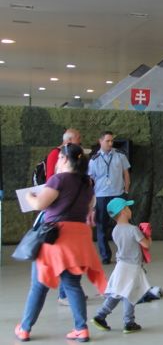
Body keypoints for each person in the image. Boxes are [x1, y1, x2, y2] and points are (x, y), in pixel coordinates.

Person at [15, 143, 107, 343]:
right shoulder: (86, 183)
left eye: (58, 158)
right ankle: (81, 329)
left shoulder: (58, 179)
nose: (57, 161)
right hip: (77, 239)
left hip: (55, 239)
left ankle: (24, 328)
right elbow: (88, 207)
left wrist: (30, 196)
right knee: (73, 284)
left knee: (39, 285)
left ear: (64, 159)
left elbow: (39, 204)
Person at [91, 197, 150, 334]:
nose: (130, 210)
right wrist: (148, 235)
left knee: (117, 292)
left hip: (121, 266)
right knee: (130, 294)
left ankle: (100, 315)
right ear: (123, 211)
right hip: (132, 267)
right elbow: (146, 244)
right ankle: (129, 322)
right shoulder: (133, 229)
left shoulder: (115, 230)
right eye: (127, 208)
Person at [44, 128, 82, 306]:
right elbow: (51, 181)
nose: (80, 141)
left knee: (71, 257)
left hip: (69, 214)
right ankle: (65, 294)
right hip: (59, 214)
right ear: (69, 141)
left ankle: (69, 293)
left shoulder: (74, 159)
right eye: (78, 138)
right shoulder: (55, 155)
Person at [88, 131, 131, 264]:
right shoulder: (94, 159)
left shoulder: (120, 156)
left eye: (112, 141)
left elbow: (126, 174)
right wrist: (91, 198)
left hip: (118, 194)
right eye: (107, 141)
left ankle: (125, 253)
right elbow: (90, 180)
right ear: (100, 141)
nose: (110, 143)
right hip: (101, 196)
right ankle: (105, 256)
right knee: (101, 227)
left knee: (123, 225)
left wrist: (126, 191)